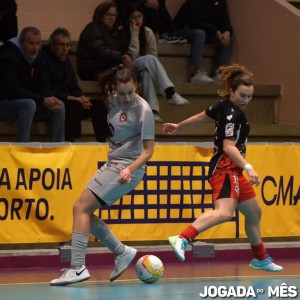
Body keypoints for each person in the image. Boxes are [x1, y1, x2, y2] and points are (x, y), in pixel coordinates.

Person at [163, 64, 283, 272]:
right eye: (242, 95)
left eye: (250, 96)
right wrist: (249, 167)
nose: (246, 100)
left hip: (232, 171)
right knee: (225, 212)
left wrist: (179, 126)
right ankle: (183, 239)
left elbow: (202, 116)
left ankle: (260, 259)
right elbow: (228, 147)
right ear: (232, 91)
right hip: (225, 169)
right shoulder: (231, 115)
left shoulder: (223, 106)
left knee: (254, 213)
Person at [50, 64, 155, 286]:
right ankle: (121, 251)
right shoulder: (113, 97)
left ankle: (77, 268)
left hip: (127, 167)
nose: (126, 97)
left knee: (80, 208)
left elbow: (148, 151)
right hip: (113, 163)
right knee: (88, 214)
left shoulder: (143, 111)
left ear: (136, 85)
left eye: (130, 92)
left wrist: (129, 169)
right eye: (122, 92)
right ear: (114, 89)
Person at [121, 2, 190, 122]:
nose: (137, 20)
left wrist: (146, 63)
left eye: (139, 16)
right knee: (149, 59)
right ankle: (170, 93)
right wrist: (134, 35)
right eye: (133, 17)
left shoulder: (148, 32)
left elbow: (153, 56)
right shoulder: (122, 32)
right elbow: (132, 56)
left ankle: (152, 112)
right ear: (128, 19)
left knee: (147, 72)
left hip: (143, 68)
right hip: (128, 69)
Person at [41, 27, 111, 142]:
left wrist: (82, 98)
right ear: (52, 45)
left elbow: (74, 85)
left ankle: (104, 141)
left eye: (68, 45)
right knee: (74, 105)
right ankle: (70, 141)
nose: (65, 49)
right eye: (61, 45)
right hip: (55, 101)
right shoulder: (44, 59)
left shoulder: (66, 61)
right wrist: (72, 98)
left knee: (98, 105)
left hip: (70, 100)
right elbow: (46, 88)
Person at [0, 26, 65, 142]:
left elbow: (43, 85)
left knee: (59, 105)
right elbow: (12, 90)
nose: (35, 48)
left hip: (29, 105)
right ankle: (23, 146)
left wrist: (49, 98)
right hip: (5, 104)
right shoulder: (8, 56)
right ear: (21, 43)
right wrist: (41, 100)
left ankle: (58, 147)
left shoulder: (39, 58)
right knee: (29, 104)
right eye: (31, 43)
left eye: (38, 43)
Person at [173, 0, 235, 84]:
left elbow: (224, 21)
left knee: (230, 36)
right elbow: (195, 22)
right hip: (184, 30)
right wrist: (215, 30)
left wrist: (227, 31)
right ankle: (196, 71)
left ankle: (220, 72)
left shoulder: (220, 2)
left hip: (207, 32)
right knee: (200, 33)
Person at [76, 1, 131, 81]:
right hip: (91, 68)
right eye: (108, 14)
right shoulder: (92, 28)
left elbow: (123, 48)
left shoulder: (115, 31)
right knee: (122, 74)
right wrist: (120, 57)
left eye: (114, 15)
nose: (111, 18)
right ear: (100, 15)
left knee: (134, 72)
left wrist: (126, 55)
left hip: (107, 66)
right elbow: (98, 51)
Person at [115, 0, 186, 43]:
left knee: (157, 3)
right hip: (129, 6)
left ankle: (172, 31)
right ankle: (163, 34)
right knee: (150, 7)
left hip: (140, 4)